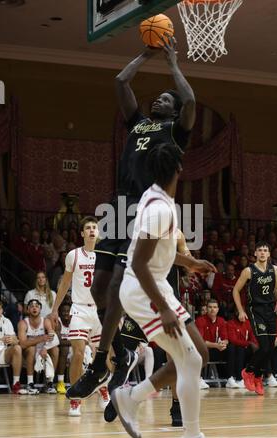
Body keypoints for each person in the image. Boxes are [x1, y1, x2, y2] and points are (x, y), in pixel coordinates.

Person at [67, 35, 196, 400]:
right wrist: (144, 53)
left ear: (173, 111)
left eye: (166, 99)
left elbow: (190, 101)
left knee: (119, 282)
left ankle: (100, 363)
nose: (160, 99)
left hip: (144, 209)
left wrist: (172, 64)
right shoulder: (138, 123)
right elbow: (120, 82)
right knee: (98, 289)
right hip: (118, 205)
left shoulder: (176, 131)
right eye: (159, 97)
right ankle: (122, 350)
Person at [110, 143, 221, 438]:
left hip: (157, 285)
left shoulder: (157, 196)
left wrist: (190, 262)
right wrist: (164, 309)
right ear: (179, 170)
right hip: (143, 289)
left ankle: (130, 398)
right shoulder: (159, 209)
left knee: (198, 354)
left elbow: (161, 251)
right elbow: (137, 263)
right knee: (191, 359)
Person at [50, 216, 105, 416]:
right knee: (78, 353)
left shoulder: (105, 255)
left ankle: (103, 388)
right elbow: (64, 284)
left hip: (100, 310)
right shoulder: (73, 255)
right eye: (88, 228)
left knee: (105, 357)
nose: (91, 230)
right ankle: (75, 398)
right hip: (80, 309)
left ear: (98, 233)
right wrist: (55, 309)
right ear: (82, 233)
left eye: (94, 227)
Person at [233, 242, 277, 395]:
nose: (262, 253)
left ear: (269, 254)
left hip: (270, 311)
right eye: (260, 250)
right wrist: (241, 310)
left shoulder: (274, 269)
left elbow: (276, 289)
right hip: (255, 311)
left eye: (265, 250)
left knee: (270, 347)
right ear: (255, 253)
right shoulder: (248, 271)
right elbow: (235, 290)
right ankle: (248, 372)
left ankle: (258, 377)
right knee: (264, 346)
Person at [18, 299, 59, 394]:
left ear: (40, 309)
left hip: (43, 352)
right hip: (27, 354)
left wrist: (45, 348)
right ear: (27, 310)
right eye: (31, 306)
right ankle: (30, 383)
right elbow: (23, 344)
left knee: (55, 350)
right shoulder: (23, 323)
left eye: (37, 306)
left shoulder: (46, 321)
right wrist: (41, 338)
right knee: (32, 348)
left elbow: (54, 338)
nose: (34, 308)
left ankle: (50, 382)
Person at [0, 300, 26, 394]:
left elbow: (15, 338)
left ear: (2, 310)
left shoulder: (6, 321)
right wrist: (1, 340)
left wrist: (13, 340)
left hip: (3, 352)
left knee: (17, 348)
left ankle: (16, 384)